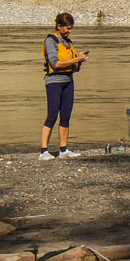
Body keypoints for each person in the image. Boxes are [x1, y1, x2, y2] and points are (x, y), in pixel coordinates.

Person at [39, 12, 86, 158]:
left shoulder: (67, 42)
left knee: (65, 115)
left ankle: (63, 149)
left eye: (71, 28)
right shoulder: (50, 41)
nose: (70, 31)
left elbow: (70, 62)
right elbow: (56, 63)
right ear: (59, 26)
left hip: (68, 81)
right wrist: (76, 59)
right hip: (54, 82)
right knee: (52, 115)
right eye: (68, 28)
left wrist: (79, 59)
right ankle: (43, 151)